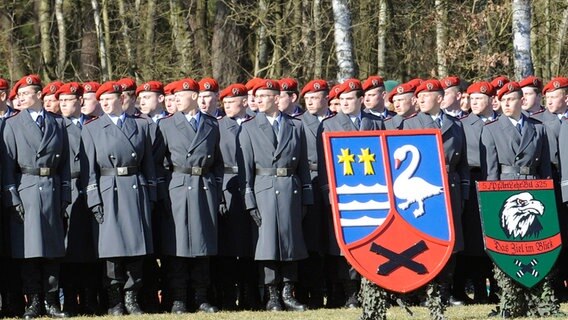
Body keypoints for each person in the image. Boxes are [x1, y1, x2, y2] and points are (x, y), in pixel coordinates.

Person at [483, 81, 558, 317]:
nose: (505, 103)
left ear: (521, 101)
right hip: (506, 190)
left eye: (510, 99)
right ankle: (510, 299)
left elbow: (546, 167)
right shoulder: (492, 129)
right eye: (502, 100)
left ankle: (538, 299)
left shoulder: (538, 128)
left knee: (535, 246)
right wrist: (492, 202)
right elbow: (491, 171)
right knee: (509, 248)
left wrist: (547, 194)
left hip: (533, 187)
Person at [81, 81, 156, 316]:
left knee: (136, 248)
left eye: (109, 98)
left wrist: (151, 195)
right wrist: (94, 199)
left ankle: (132, 298)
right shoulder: (92, 129)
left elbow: (149, 166)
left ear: (121, 100)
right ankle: (115, 300)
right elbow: (88, 170)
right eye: (101, 100)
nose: (103, 102)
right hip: (107, 189)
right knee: (111, 250)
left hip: (134, 189)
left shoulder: (141, 126)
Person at [239, 79, 313, 312]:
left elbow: (303, 166)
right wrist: (250, 200)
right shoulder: (249, 127)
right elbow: (246, 170)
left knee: (292, 244)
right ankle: (271, 295)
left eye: (263, 96)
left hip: (290, 188)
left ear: (276, 98)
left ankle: (288, 293)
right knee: (267, 246)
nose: (258, 100)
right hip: (264, 189)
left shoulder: (295, 126)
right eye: (256, 96)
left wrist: (306, 197)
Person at [1, 74, 70, 318]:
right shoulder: (12, 125)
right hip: (26, 188)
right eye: (18, 95)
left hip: (51, 186)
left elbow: (66, 166)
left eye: (25, 94)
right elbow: (7, 166)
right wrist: (12, 196)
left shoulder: (58, 123)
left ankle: (52, 302)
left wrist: (65, 194)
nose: (20, 98)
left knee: (52, 250)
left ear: (39, 95)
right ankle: (34, 302)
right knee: (29, 250)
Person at [402, 79, 469, 306]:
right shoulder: (410, 125)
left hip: (450, 186)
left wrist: (464, 191)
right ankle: (423, 291)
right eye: (419, 96)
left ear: (439, 98)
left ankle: (444, 291)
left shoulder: (455, 124)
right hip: (423, 189)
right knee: (424, 238)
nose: (420, 99)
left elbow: (463, 163)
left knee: (451, 239)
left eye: (425, 96)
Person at [317, 79, 384, 308]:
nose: (344, 103)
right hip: (343, 192)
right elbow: (324, 163)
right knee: (343, 244)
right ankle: (349, 292)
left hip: (373, 191)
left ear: (360, 100)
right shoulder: (330, 125)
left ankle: (370, 288)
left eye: (348, 99)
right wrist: (327, 191)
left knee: (370, 241)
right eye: (341, 100)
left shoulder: (375, 123)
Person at [158, 78, 222, 314]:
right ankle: (179, 298)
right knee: (178, 246)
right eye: (173, 97)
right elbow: (159, 162)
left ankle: (202, 297)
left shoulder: (212, 125)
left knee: (203, 246)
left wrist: (215, 188)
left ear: (194, 96)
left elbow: (217, 161)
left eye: (180, 96)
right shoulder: (166, 125)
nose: (175, 100)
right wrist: (164, 191)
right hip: (178, 187)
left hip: (203, 186)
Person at [56, 82, 99, 316]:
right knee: (69, 247)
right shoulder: (57, 126)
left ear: (80, 101)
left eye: (68, 100)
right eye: (60, 100)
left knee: (91, 246)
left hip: (92, 186)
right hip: (69, 186)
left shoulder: (93, 124)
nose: (62, 104)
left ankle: (91, 298)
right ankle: (71, 299)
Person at [215, 83, 259, 310]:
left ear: (244, 101)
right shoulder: (219, 126)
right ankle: (228, 297)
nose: (227, 105)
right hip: (228, 186)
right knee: (229, 247)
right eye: (225, 102)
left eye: (232, 102)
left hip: (253, 184)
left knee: (252, 246)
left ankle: (251, 295)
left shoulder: (255, 123)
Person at [458, 82, 499, 304]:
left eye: (479, 99)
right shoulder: (463, 124)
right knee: (475, 241)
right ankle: (479, 290)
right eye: (471, 98)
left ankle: (497, 287)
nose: (474, 102)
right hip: (473, 182)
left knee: (496, 238)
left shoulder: (501, 122)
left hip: (498, 182)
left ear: (491, 100)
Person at [296, 80, 332, 308]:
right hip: (310, 181)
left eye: (314, 97)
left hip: (334, 182)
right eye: (307, 97)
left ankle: (336, 289)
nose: (309, 101)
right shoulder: (298, 123)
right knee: (311, 240)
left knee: (332, 239)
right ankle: (312, 292)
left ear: (326, 98)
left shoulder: (335, 121)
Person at [135, 81, 169, 313]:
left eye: (148, 97)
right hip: (144, 190)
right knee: (146, 249)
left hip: (170, 190)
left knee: (168, 247)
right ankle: (146, 297)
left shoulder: (169, 122)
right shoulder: (140, 123)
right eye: (141, 97)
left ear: (161, 98)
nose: (142, 101)